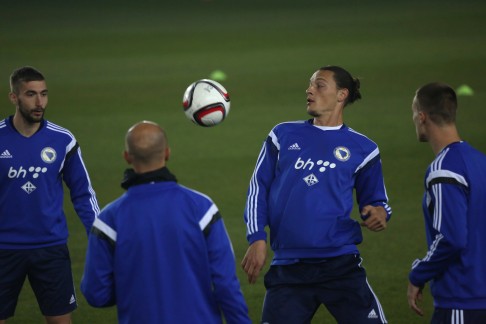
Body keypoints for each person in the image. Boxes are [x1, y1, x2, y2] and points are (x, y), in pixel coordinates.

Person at [241, 65, 392, 323]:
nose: (310, 90)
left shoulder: (364, 148)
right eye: (310, 85)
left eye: (319, 85)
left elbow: (376, 201)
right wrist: (256, 237)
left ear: (341, 94)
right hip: (289, 268)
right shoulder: (283, 135)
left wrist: (379, 213)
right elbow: (258, 187)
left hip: (340, 266)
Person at [80, 121, 251, 324]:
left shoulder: (108, 220)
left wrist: (132, 286)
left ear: (127, 157)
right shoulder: (202, 208)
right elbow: (225, 284)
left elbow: (96, 293)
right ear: (167, 153)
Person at [0, 66, 100, 323]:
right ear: (14, 97)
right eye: (31, 94)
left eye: (44, 94)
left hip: (50, 248)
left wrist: (97, 235)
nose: (39, 102)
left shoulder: (62, 139)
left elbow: (83, 193)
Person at [407, 82, 486, 323]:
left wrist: (418, 274)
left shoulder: (444, 169)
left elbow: (451, 238)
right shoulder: (480, 162)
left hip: (463, 301)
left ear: (422, 117)